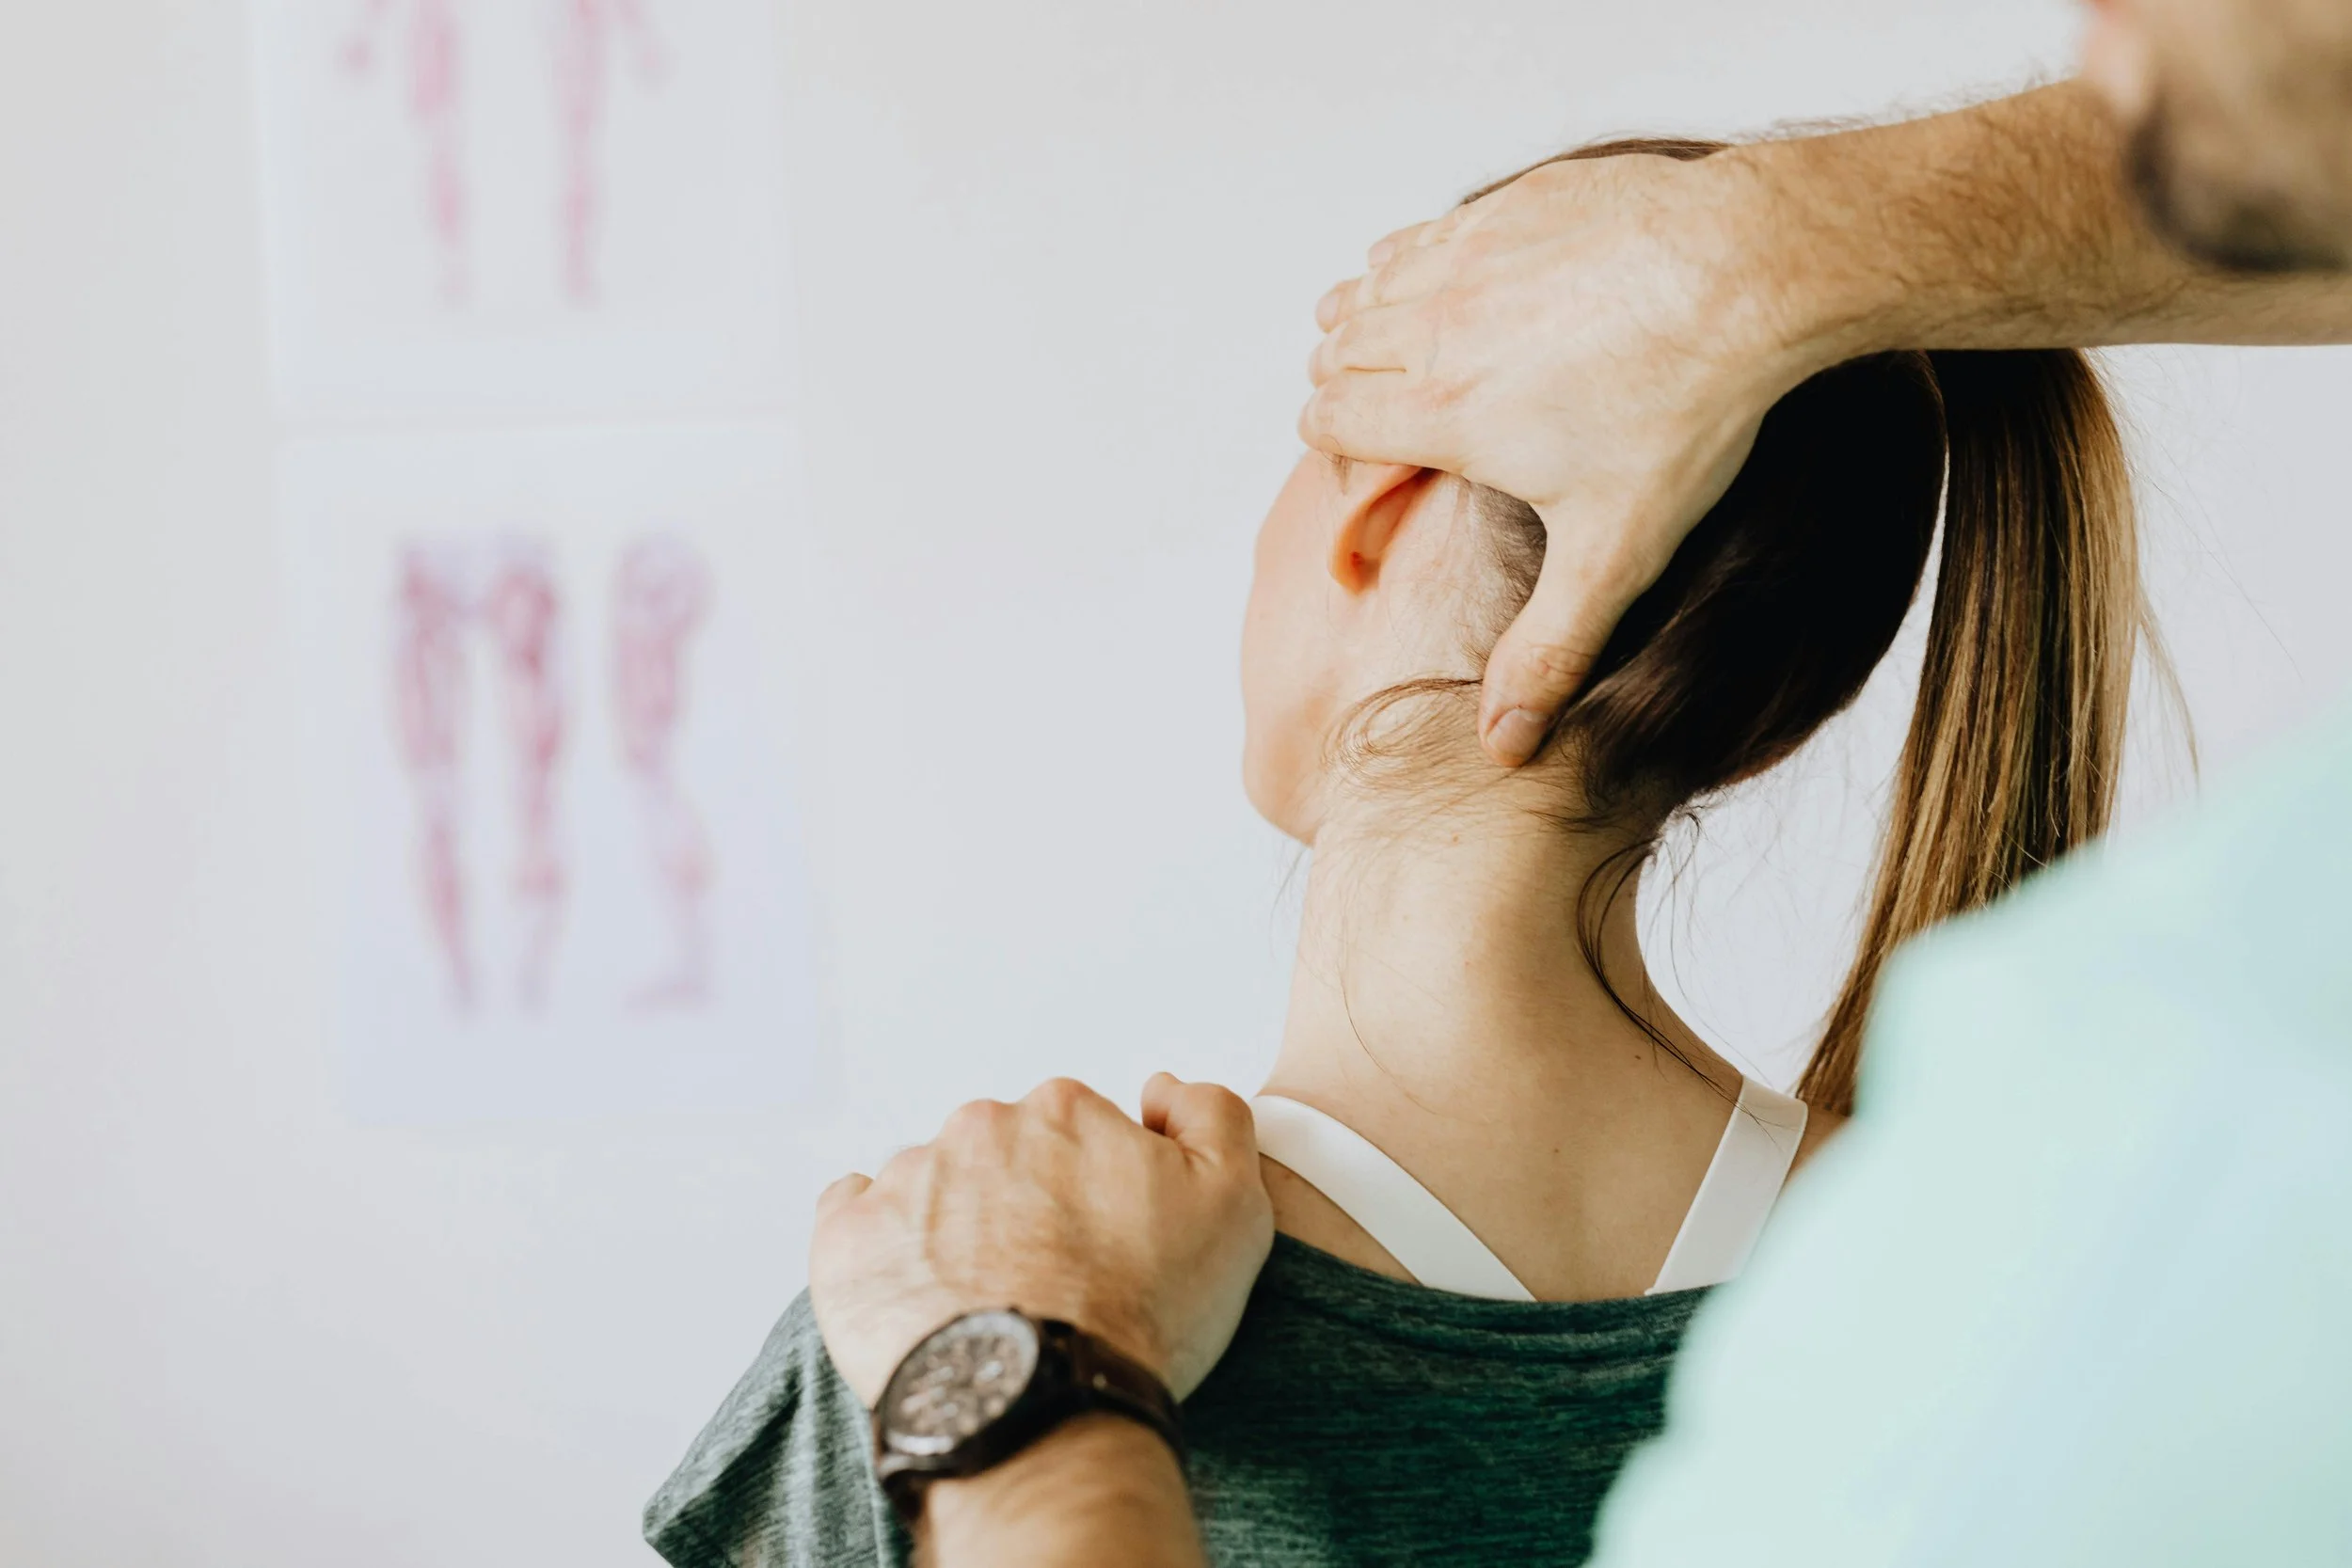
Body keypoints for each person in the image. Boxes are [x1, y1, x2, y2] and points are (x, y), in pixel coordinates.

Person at [724, 1, 2352, 1562]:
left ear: (1373, 518)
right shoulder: (2072, 1275)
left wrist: (1011, 1383)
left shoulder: (948, 1333)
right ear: (1761, 703)